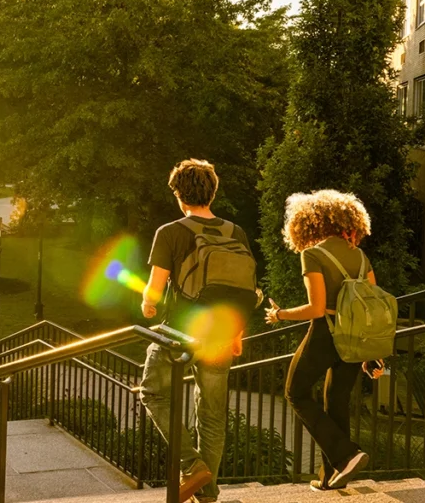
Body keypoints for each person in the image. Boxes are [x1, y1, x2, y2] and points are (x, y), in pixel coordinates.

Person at [140, 159, 256, 503]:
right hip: (221, 335)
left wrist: (147, 305)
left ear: (178, 194)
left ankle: (191, 466)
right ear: (213, 192)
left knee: (152, 392)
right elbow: (241, 288)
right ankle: (207, 493)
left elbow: (154, 290)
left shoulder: (170, 232)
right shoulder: (236, 232)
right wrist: (237, 333)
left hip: (181, 333)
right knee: (212, 415)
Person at [264, 190, 386, 491]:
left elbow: (316, 309)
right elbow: (371, 307)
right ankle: (332, 475)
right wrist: (371, 353)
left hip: (326, 333)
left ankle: (346, 455)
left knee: (295, 392)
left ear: (308, 223)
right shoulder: (360, 256)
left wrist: (279, 314)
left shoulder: (313, 254)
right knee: (336, 401)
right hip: (355, 337)